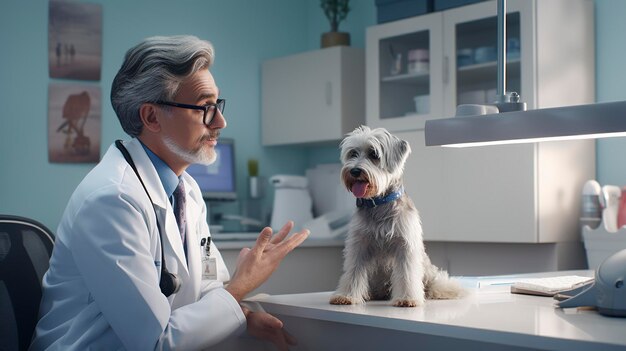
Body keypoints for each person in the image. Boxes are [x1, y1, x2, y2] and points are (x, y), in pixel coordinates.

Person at [30, 35, 309, 350]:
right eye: (205, 107)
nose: (220, 120)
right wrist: (242, 286)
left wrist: (242, 316)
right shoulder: (111, 199)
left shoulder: (185, 189)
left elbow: (206, 290)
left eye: (218, 105)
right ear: (151, 117)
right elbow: (155, 342)